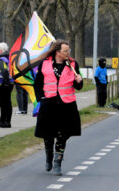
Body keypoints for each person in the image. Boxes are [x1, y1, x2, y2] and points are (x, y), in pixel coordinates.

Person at [34, 39, 83, 176]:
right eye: (65, 51)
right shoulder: (45, 64)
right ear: (57, 52)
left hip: (67, 105)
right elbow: (38, 84)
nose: (68, 53)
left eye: (69, 50)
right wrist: (41, 98)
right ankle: (49, 157)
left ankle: (57, 163)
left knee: (63, 135)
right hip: (49, 104)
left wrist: (79, 80)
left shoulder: (72, 64)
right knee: (48, 135)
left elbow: (78, 86)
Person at [0, 42, 14, 128]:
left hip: (2, 84)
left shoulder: (1, 59)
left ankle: (3, 121)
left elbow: (4, 71)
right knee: (8, 103)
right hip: (10, 83)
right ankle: (7, 121)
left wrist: (5, 81)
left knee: (3, 104)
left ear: (0, 50)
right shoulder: (9, 58)